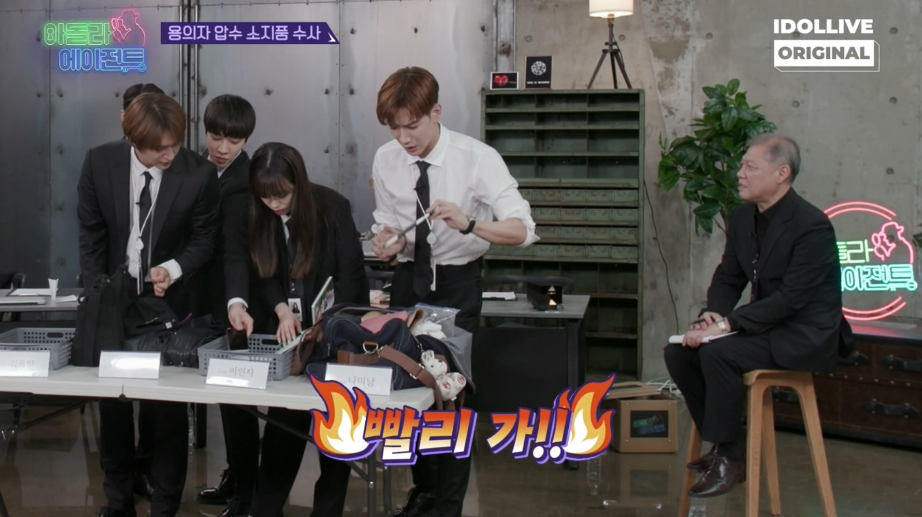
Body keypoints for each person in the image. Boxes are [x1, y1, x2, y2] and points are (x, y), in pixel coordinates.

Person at [369, 66, 538, 517]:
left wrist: (469, 222)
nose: (403, 138)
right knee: (410, 391)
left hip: (456, 285)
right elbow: (389, 224)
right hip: (408, 282)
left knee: (451, 394)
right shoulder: (386, 158)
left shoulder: (477, 157)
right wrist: (389, 242)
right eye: (394, 128)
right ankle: (423, 492)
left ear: (436, 112)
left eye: (412, 126)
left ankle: (447, 506)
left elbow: (523, 230)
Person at [664, 134, 854, 498]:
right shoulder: (742, 217)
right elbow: (729, 276)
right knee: (680, 351)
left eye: (750, 166)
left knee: (719, 353)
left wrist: (726, 326)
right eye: (742, 166)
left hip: (803, 333)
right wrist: (712, 315)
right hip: (766, 325)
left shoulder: (811, 225)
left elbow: (791, 299)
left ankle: (729, 456)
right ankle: (729, 447)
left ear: (782, 173)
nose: (740, 174)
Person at [78, 92, 220, 517]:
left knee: (167, 413)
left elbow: (205, 240)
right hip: (115, 303)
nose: (170, 155)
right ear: (132, 140)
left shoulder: (198, 173)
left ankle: (164, 506)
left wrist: (172, 269)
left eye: (175, 145)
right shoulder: (100, 162)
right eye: (160, 149)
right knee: (114, 407)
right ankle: (118, 502)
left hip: (169, 305)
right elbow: (91, 236)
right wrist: (99, 293)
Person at [221, 142, 369, 517]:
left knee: (336, 428)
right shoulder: (259, 212)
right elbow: (264, 272)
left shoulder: (332, 208)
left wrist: (326, 324)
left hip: (335, 335)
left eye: (282, 195)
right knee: (284, 426)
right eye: (265, 196)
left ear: (298, 184)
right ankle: (265, 509)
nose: (274, 204)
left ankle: (328, 511)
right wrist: (282, 310)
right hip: (290, 340)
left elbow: (351, 279)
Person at [191, 94, 257, 512]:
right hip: (195, 297)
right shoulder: (193, 168)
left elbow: (236, 251)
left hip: (238, 299)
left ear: (246, 140)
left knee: (238, 398)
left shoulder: (248, 181)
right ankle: (236, 475)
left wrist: (236, 301)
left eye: (233, 141)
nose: (222, 148)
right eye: (215, 137)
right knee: (219, 393)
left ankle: (246, 490)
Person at [116, 81, 165, 505]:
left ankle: (148, 471)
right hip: (116, 300)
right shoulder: (105, 164)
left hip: (160, 302)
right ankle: (119, 488)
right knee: (112, 397)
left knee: (156, 399)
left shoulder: (179, 168)